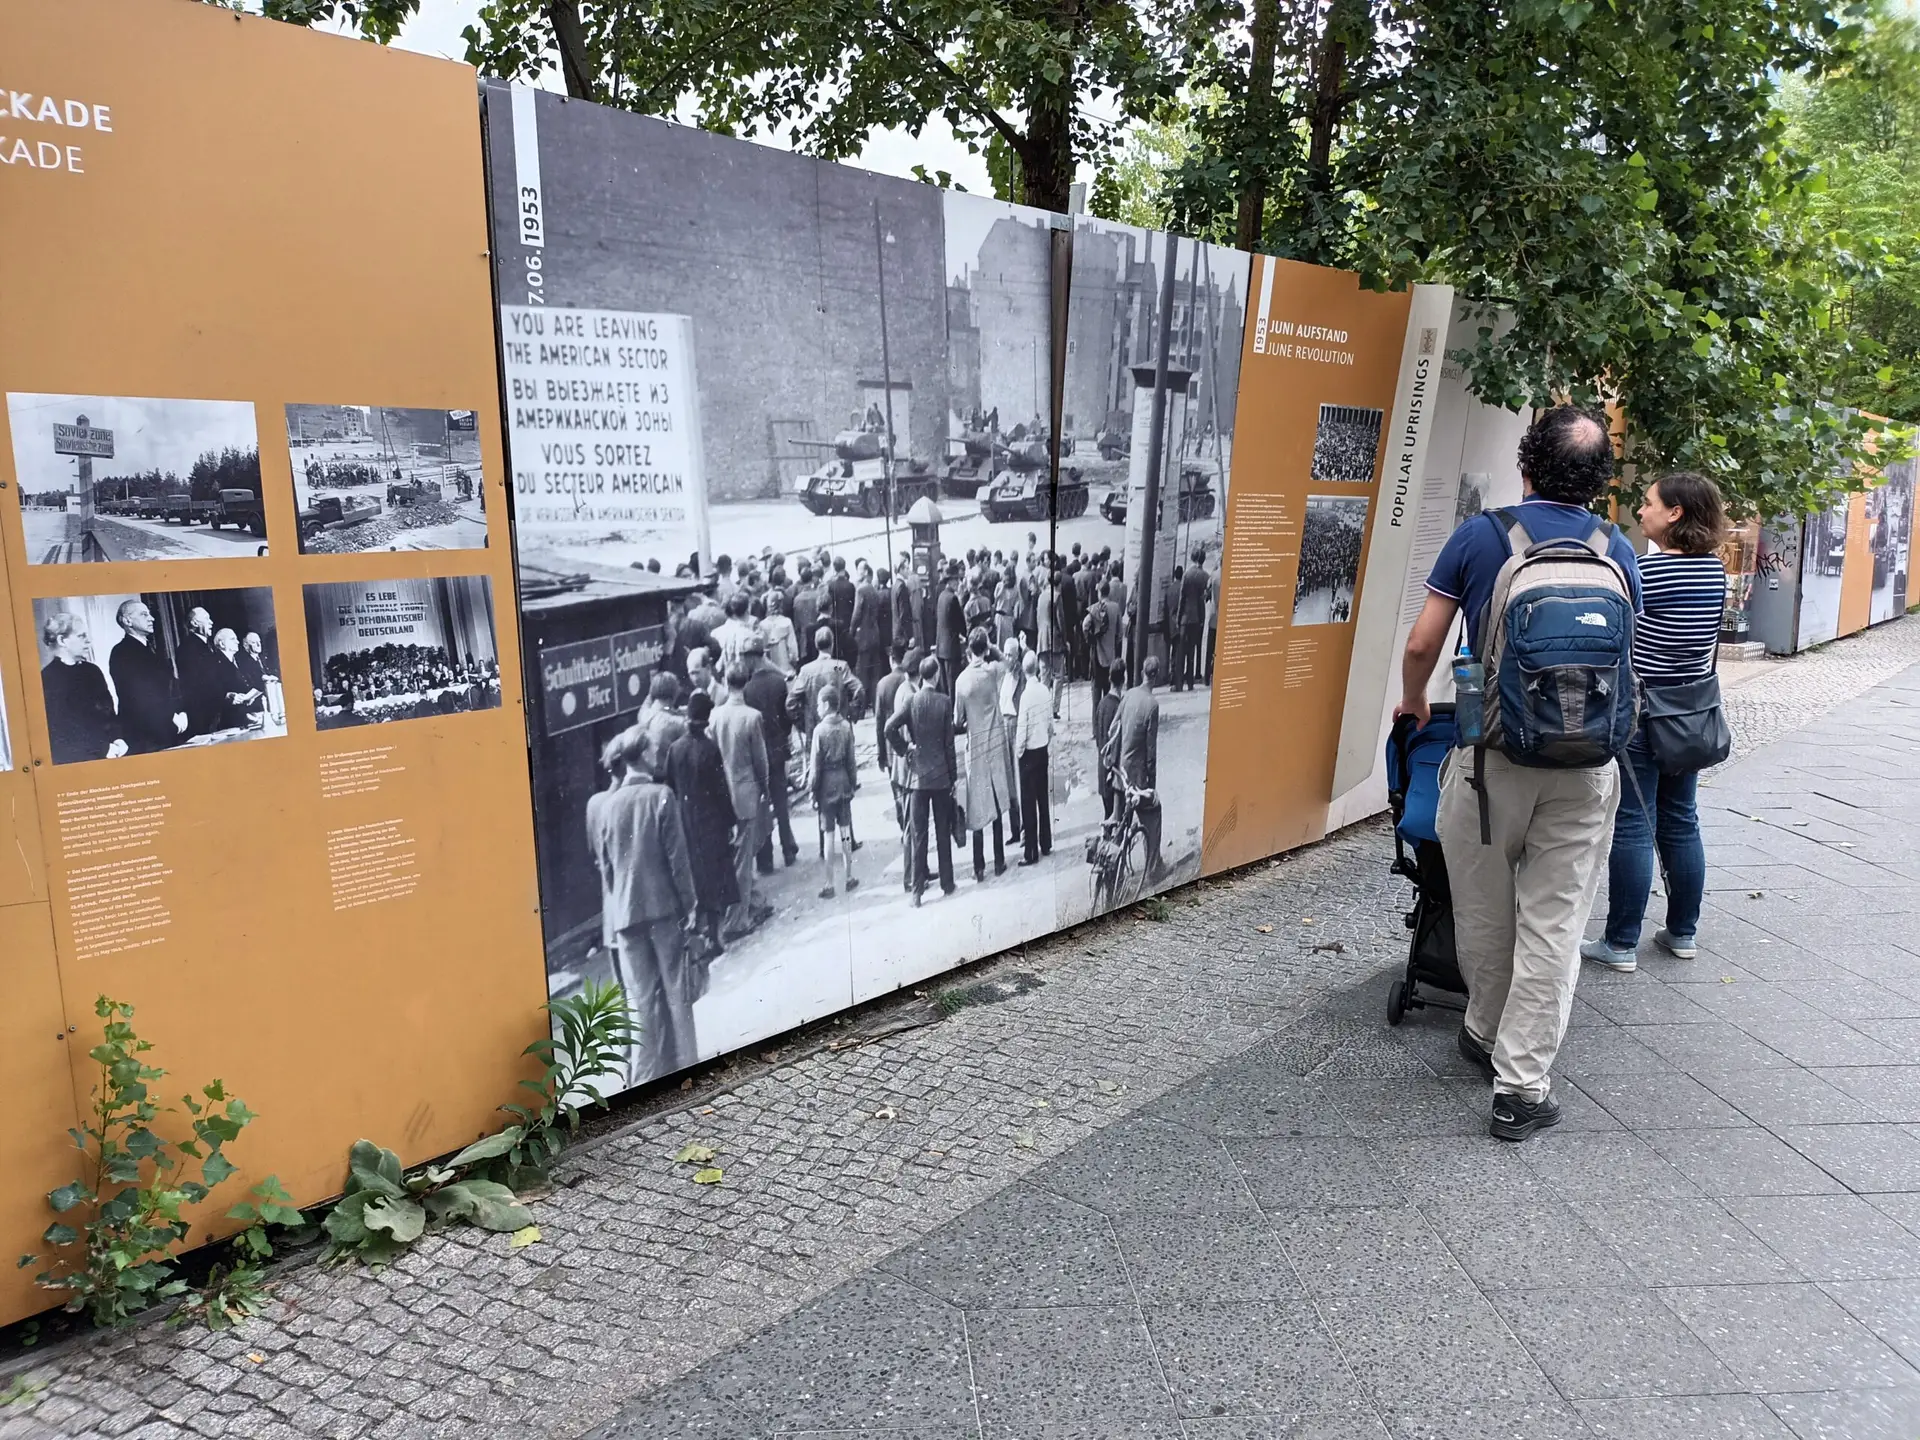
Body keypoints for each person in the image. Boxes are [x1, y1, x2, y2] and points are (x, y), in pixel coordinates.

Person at [1396, 404, 1643, 1142]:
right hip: (1587, 767)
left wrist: (1414, 702)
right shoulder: (1616, 547)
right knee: (1554, 923)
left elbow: (1422, 644)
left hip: (1487, 759)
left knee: (1483, 910)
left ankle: (1481, 1028)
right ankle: (1521, 1086)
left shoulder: (1481, 536)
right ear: (1600, 484)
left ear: (1526, 466)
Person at [1582, 471, 1729, 972]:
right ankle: (1683, 932)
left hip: (1644, 713)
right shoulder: (1714, 571)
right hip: (1690, 714)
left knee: (1633, 824)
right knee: (1681, 819)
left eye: (1648, 504)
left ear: (1675, 513)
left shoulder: (1651, 573)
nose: (1640, 511)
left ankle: (1621, 942)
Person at [586, 727, 699, 1085]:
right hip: (664, 910)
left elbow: (605, 867)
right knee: (677, 992)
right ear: (643, 756)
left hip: (625, 915)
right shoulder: (661, 796)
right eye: (653, 750)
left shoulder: (607, 806)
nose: (657, 754)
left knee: (644, 999)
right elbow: (678, 860)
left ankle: (650, 1078)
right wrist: (690, 904)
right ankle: (687, 1068)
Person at [663, 692, 739, 956]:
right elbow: (721, 790)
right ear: (706, 720)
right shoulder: (709, 749)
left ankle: (701, 933)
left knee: (694, 876)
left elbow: (669, 787)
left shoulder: (675, 749)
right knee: (715, 875)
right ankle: (716, 935)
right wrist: (731, 821)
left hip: (685, 820)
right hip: (711, 821)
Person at [885, 656, 958, 905]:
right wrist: (954, 776)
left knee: (919, 835)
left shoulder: (911, 701)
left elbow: (889, 728)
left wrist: (905, 748)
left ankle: (917, 892)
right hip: (940, 777)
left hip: (917, 778)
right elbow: (949, 745)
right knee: (942, 831)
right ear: (936, 676)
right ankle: (947, 883)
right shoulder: (944, 702)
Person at [711, 664, 775, 940]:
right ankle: (737, 919)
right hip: (747, 793)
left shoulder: (715, 716)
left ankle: (755, 901)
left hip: (722, 795)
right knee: (743, 857)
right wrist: (766, 788)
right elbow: (760, 760)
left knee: (736, 854)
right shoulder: (752, 717)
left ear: (726, 682)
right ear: (746, 682)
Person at [954, 629, 1016, 881]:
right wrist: (994, 647)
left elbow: (958, 719)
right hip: (995, 742)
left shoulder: (961, 681)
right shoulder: (992, 672)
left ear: (969, 649)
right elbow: (1009, 663)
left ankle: (979, 867)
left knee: (977, 806)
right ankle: (999, 861)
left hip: (976, 746)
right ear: (986, 648)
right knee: (998, 800)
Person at [741, 636, 801, 871]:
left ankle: (765, 859)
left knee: (761, 806)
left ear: (751, 658)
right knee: (781, 803)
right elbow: (787, 718)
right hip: (777, 751)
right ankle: (788, 849)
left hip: (758, 755)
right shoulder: (778, 682)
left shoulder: (746, 689)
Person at [1104, 655, 1165, 882]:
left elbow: (1113, 729)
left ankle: (1114, 877)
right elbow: (1151, 751)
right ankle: (1153, 869)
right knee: (1154, 815)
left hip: (1120, 774)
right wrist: (1152, 787)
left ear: (1141, 673)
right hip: (1137, 779)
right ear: (1155, 676)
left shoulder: (1128, 695)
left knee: (1119, 825)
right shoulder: (1152, 705)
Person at [40, 612, 125, 763]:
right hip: (78, 761)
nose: (89, 641)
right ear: (62, 640)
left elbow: (109, 713)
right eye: (81, 636)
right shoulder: (47, 678)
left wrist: (118, 738)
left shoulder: (93, 671)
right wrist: (103, 748)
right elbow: (62, 731)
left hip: (111, 753)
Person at [109, 599, 187, 754]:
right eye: (144, 614)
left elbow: (170, 685)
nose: (151, 618)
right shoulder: (121, 653)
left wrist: (181, 711)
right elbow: (138, 696)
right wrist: (171, 716)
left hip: (167, 730)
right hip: (145, 736)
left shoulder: (152, 650)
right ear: (127, 621)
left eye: (150, 614)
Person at [807, 687, 861, 899]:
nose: (817, 708)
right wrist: (853, 783)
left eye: (819, 703)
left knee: (828, 834)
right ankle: (849, 877)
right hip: (843, 781)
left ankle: (829, 882)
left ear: (827, 704)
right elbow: (851, 761)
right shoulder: (847, 727)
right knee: (846, 831)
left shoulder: (819, 731)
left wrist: (812, 790)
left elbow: (815, 766)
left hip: (826, 786)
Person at [1014, 649, 1053, 865]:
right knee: (1043, 799)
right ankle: (1045, 843)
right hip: (1042, 749)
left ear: (1023, 669)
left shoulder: (1025, 696)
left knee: (1028, 804)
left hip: (1028, 752)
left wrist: (1019, 751)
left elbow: (1022, 729)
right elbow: (1049, 723)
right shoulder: (1045, 691)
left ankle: (1030, 852)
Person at [176, 606, 225, 738]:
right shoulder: (188, 648)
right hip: (204, 715)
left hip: (214, 711)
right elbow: (199, 684)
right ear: (194, 623)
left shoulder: (206, 646)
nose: (211, 622)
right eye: (206, 619)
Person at [851, 562, 887, 716]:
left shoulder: (861, 590)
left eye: (860, 570)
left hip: (863, 638)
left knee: (862, 673)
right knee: (874, 674)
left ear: (865, 571)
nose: (858, 572)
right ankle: (876, 706)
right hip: (875, 635)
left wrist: (852, 631)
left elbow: (857, 613)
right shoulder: (873, 589)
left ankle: (861, 709)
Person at [210, 628, 265, 730]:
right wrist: (228, 696)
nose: (238, 641)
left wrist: (250, 697)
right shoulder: (214, 663)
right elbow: (212, 690)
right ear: (222, 644)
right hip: (230, 720)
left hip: (246, 715)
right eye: (232, 639)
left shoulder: (238, 660)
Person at [638, 671, 688, 781]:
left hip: (648, 776)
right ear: (673, 694)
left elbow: (651, 700)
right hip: (668, 779)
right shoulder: (677, 723)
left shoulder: (643, 714)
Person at [1093, 660, 1125, 818]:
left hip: (1102, 773)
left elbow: (1098, 738)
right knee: (1117, 820)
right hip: (1114, 777)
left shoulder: (1101, 704)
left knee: (1108, 816)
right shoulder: (1119, 707)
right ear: (1123, 680)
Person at [1177, 546, 1210, 691]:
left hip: (1185, 617)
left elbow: (1181, 598)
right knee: (1191, 651)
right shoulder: (1205, 576)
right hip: (1198, 617)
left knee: (1181, 650)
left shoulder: (1187, 575)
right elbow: (1207, 596)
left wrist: (1178, 617)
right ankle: (1190, 682)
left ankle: (1179, 683)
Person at [936, 561, 966, 691]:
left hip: (941, 648)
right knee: (953, 686)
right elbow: (961, 625)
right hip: (951, 649)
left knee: (945, 686)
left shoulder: (941, 596)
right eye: (957, 580)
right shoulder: (953, 598)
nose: (959, 583)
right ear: (952, 581)